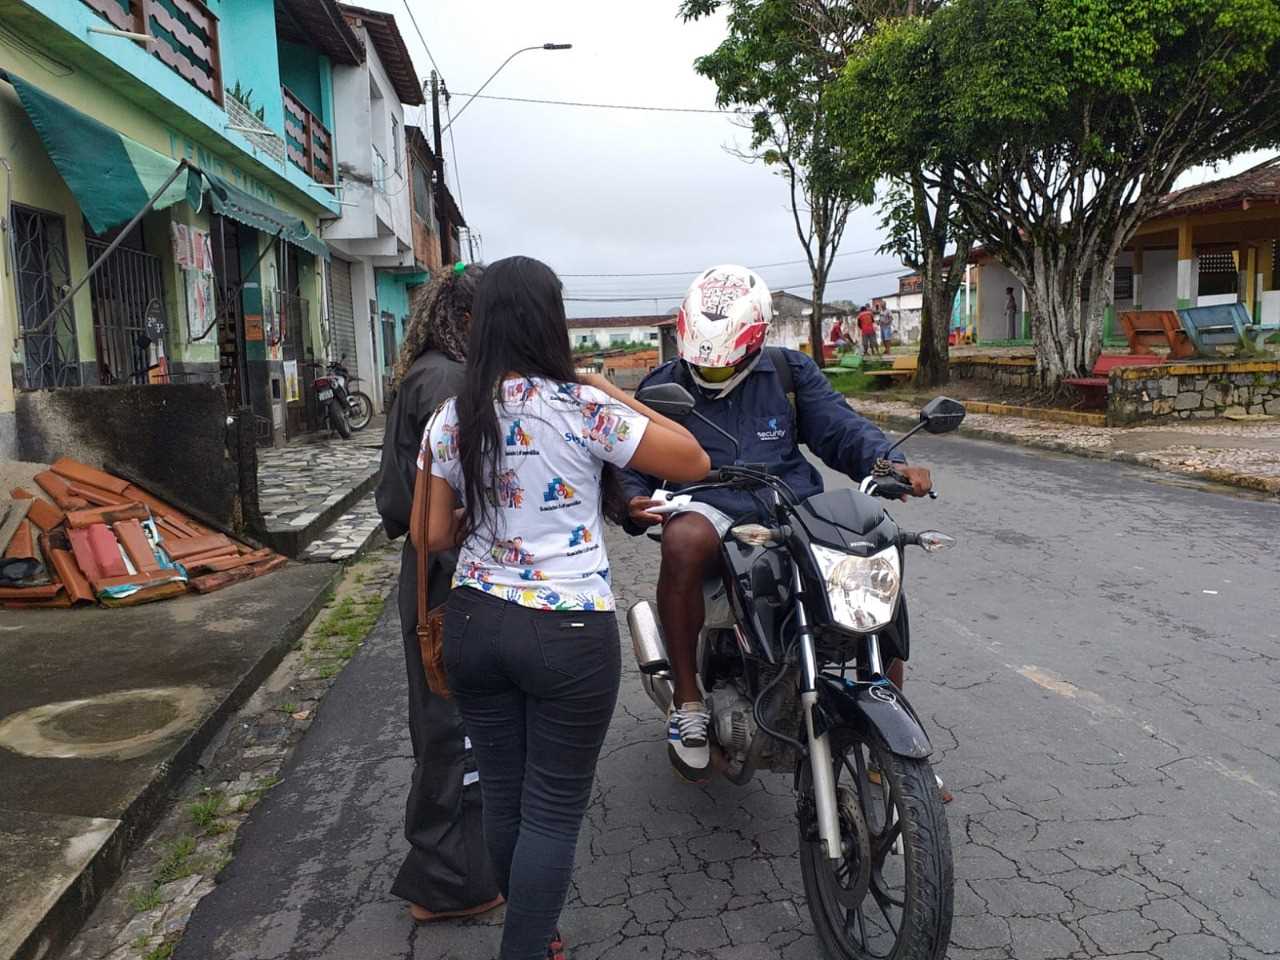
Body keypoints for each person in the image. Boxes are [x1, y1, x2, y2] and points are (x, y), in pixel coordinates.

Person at [412, 256, 710, 960]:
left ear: (478, 326)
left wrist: (477, 525)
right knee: (552, 811)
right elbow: (692, 460)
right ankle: (526, 947)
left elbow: (427, 534)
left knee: (508, 799)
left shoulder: (452, 416)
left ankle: (533, 933)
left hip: (477, 625)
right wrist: (609, 386)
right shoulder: (584, 406)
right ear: (552, 321)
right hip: (569, 631)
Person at [619, 264, 933, 780]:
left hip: (787, 505)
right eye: (703, 365)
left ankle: (887, 728)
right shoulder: (663, 385)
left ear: (754, 342)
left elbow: (840, 428)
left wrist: (888, 465)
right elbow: (631, 454)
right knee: (682, 538)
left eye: (723, 367)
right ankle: (689, 702)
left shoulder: (789, 373)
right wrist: (634, 500)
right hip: (708, 504)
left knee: (868, 545)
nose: (710, 375)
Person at [374, 262, 503, 924]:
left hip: (427, 568)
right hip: (445, 573)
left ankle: (454, 872)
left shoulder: (427, 371)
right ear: (469, 321)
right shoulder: (452, 382)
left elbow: (395, 500)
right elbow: (429, 503)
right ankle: (447, 886)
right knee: (454, 731)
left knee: (443, 725)